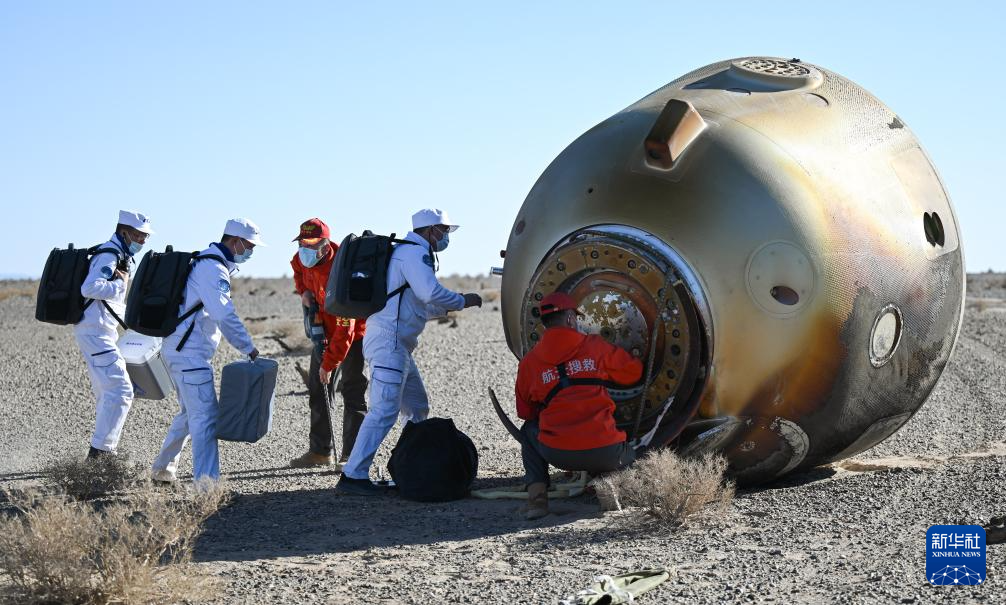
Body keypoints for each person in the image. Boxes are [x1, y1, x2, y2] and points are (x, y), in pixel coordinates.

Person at [336, 208, 482, 495]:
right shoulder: (415, 254)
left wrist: (450, 306)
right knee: (384, 410)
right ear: (430, 230)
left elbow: (418, 305)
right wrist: (462, 300)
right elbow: (430, 293)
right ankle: (353, 476)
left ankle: (411, 466)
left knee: (416, 407)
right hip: (390, 343)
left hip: (397, 345)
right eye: (444, 231)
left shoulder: (405, 254)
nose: (445, 237)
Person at [151, 218, 263, 482]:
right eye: (249, 245)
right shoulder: (212, 269)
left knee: (190, 414)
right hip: (189, 354)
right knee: (206, 419)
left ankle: (162, 472)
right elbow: (224, 314)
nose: (251, 252)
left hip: (178, 350)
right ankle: (207, 487)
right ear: (235, 241)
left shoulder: (206, 263)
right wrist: (249, 348)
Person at [515, 292, 643, 520]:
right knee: (633, 453)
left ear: (545, 325)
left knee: (529, 431)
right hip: (606, 452)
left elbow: (525, 412)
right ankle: (608, 483)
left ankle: (537, 499)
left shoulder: (530, 362)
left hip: (558, 454)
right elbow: (633, 373)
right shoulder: (595, 347)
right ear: (571, 320)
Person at [289, 217, 368, 468]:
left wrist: (329, 364)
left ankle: (352, 456)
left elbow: (347, 330)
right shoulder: (302, 258)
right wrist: (304, 292)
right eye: (303, 242)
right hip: (321, 333)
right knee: (317, 390)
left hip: (353, 337)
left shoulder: (340, 271)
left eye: (312, 243)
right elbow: (298, 272)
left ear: (325, 244)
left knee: (352, 392)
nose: (306, 249)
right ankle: (320, 452)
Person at [76, 210, 154, 458]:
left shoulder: (119, 255)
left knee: (108, 392)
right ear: (124, 232)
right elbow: (89, 288)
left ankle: (101, 450)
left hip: (101, 331)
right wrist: (119, 284)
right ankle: (101, 455)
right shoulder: (109, 254)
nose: (142, 241)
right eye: (139, 236)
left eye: (145, 237)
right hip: (95, 331)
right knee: (120, 390)